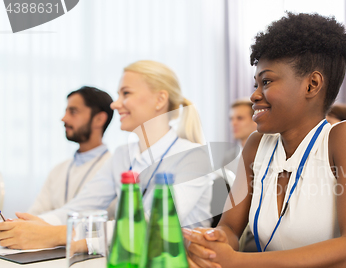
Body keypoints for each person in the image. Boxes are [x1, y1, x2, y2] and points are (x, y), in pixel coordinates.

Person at [183, 13, 346, 268]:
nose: (254, 94)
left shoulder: (345, 138)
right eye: (256, 83)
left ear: (312, 84)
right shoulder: (256, 145)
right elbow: (229, 229)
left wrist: (235, 263)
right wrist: (208, 245)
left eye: (267, 81)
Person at [0, 60, 213, 250]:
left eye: (126, 93)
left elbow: (153, 225)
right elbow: (79, 208)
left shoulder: (193, 157)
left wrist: (57, 235)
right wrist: (27, 225)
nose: (115, 104)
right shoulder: (122, 156)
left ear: (160, 100)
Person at [28, 86, 114, 217]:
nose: (64, 118)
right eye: (66, 111)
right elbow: (33, 216)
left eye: (73, 112)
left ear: (99, 119)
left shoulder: (115, 169)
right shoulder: (58, 170)